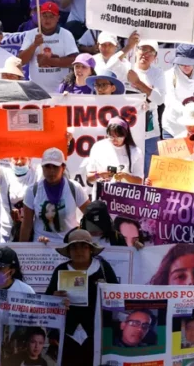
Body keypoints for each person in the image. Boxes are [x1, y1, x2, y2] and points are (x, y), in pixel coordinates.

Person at [45, 229, 118, 363]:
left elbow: (116, 296)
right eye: (74, 247)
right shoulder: (61, 270)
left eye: (84, 246)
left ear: (91, 249)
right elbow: (48, 300)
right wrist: (55, 298)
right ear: (69, 251)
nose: (79, 251)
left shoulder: (103, 268)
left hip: (97, 332)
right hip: (68, 332)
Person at [19, 147, 89, 243]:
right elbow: (27, 225)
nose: (51, 171)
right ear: (42, 167)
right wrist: (21, 250)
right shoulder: (32, 191)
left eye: (55, 166)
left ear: (63, 168)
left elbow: (90, 216)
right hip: (40, 247)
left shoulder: (75, 188)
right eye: (47, 166)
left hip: (68, 247)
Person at [18, 1, 79, 90]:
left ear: (58, 18)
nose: (47, 19)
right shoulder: (31, 34)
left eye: (51, 16)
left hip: (61, 90)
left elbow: (74, 61)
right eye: (44, 16)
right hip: (36, 90)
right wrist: (34, 45)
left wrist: (49, 61)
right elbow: (21, 61)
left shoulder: (66, 35)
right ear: (40, 17)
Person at [84, 116, 144, 185]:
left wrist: (125, 176)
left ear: (125, 135)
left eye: (119, 137)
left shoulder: (135, 151)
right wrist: (99, 175)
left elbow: (139, 181)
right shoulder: (98, 147)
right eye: (111, 137)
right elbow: (89, 178)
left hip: (124, 191)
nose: (115, 140)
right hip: (102, 190)